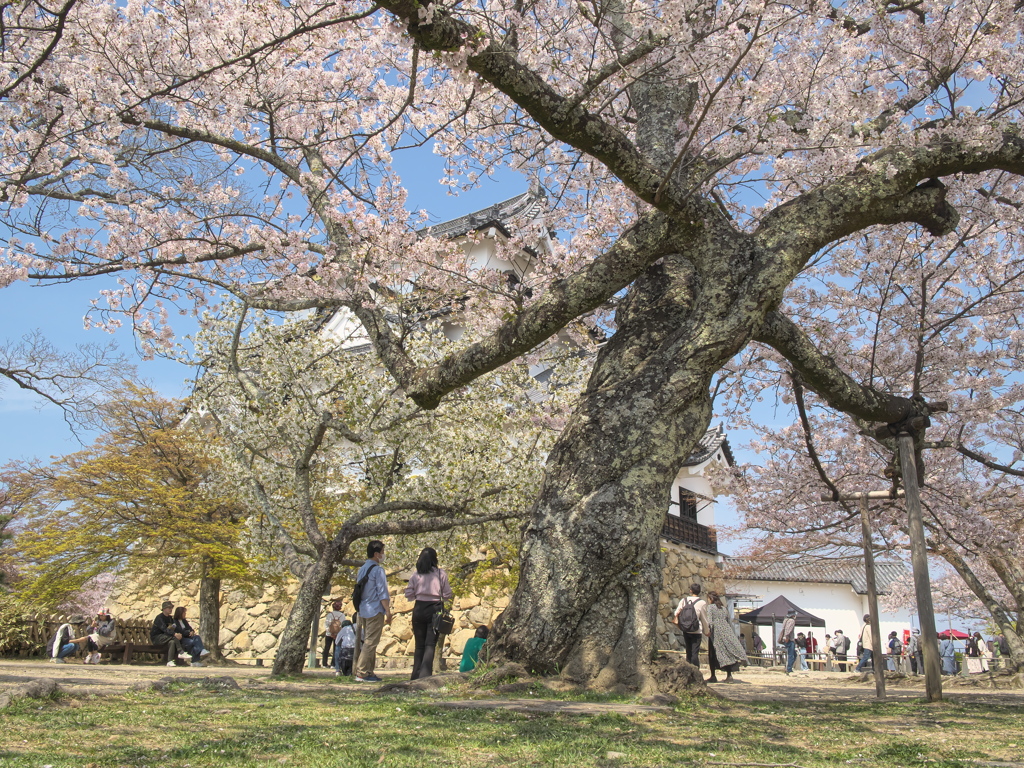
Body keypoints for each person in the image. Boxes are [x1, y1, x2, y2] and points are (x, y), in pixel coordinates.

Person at [404, 546, 454, 680]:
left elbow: (408, 593)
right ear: (434, 559)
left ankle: (415, 675)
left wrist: (418, 594)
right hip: (435, 608)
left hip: (419, 608)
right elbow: (447, 594)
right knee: (430, 643)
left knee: (419, 644)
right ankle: (425, 675)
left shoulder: (416, 575)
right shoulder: (440, 574)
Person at [353, 539, 391, 683]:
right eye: (382, 552)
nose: (383, 555)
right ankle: (362, 672)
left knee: (370, 641)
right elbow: (382, 592)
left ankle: (369, 671)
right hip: (375, 609)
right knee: (371, 642)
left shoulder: (362, 569)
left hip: (363, 609)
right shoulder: (377, 570)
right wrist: (387, 610)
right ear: (376, 554)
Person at [705, 591, 747, 683]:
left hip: (716, 633)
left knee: (712, 654)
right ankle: (729, 675)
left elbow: (710, 621)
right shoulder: (724, 608)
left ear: (711, 599)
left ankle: (713, 675)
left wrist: (709, 631)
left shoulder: (710, 607)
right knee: (726, 652)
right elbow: (728, 620)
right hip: (726, 631)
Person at [674, 584, 710, 668]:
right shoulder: (702, 603)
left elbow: (676, 613)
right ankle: (696, 671)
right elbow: (704, 618)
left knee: (688, 652)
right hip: (696, 630)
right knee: (695, 653)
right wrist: (706, 631)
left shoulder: (684, 600)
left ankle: (688, 671)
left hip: (686, 629)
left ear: (691, 590)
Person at [151, 600, 192, 667]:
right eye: (169, 608)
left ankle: (169, 661)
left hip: (167, 637)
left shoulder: (170, 618)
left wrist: (180, 633)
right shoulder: (159, 618)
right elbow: (164, 629)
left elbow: (174, 627)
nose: (171, 609)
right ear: (164, 609)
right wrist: (175, 634)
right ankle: (181, 652)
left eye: (171, 608)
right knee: (174, 637)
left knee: (172, 642)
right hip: (157, 638)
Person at [322, 599, 346, 669]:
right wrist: (337, 634)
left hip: (329, 634)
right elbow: (342, 625)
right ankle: (333, 664)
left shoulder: (330, 615)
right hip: (338, 634)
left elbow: (327, 624)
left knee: (327, 648)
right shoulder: (342, 615)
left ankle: (324, 664)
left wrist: (330, 632)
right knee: (336, 649)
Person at [778, 609, 797, 674]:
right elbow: (788, 629)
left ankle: (788, 667)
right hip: (789, 639)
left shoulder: (785, 620)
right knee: (791, 655)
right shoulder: (791, 621)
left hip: (786, 639)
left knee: (792, 654)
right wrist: (787, 636)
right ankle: (789, 669)